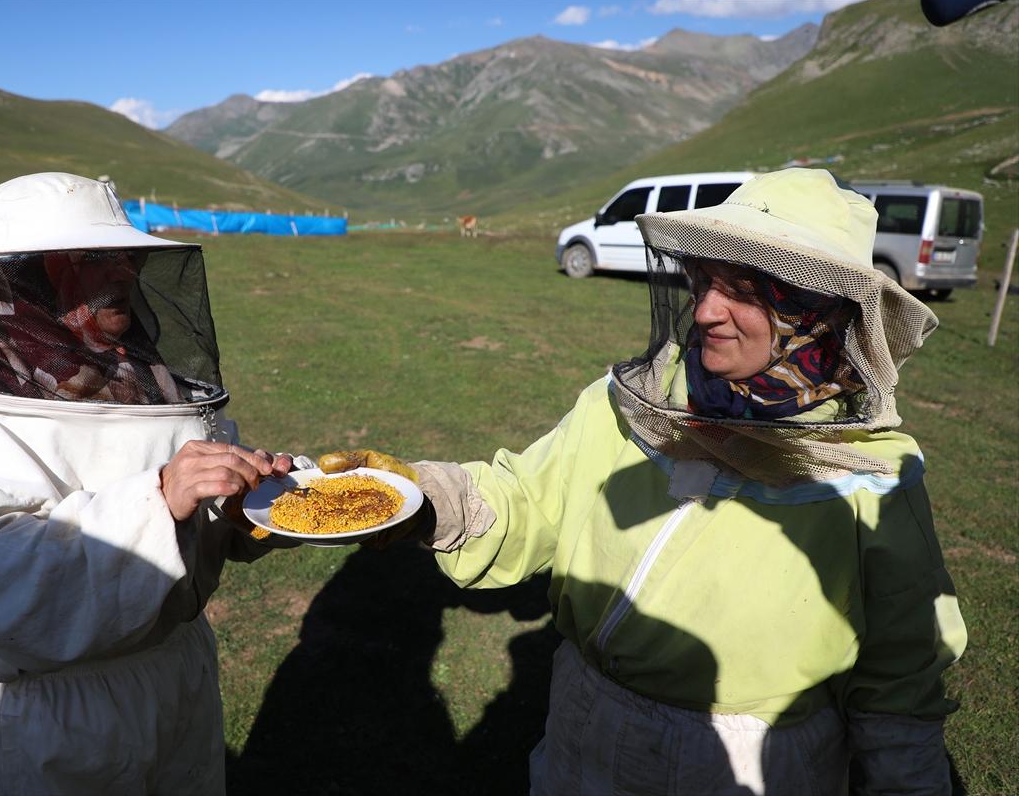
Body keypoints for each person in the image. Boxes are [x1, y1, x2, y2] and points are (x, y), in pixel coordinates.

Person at [342, 168, 968, 794]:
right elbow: (522, 502)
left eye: (745, 290)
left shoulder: (874, 478)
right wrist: (418, 499)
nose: (705, 310)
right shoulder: (623, 407)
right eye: (704, 280)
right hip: (584, 730)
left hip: (750, 764)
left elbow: (901, 681)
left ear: (816, 310)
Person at [0, 172, 293, 795]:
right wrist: (158, 500)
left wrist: (250, 505)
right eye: (91, 259)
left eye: (124, 256)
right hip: (47, 720)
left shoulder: (144, 373)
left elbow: (196, 506)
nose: (124, 274)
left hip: (176, 681)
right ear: (24, 275)